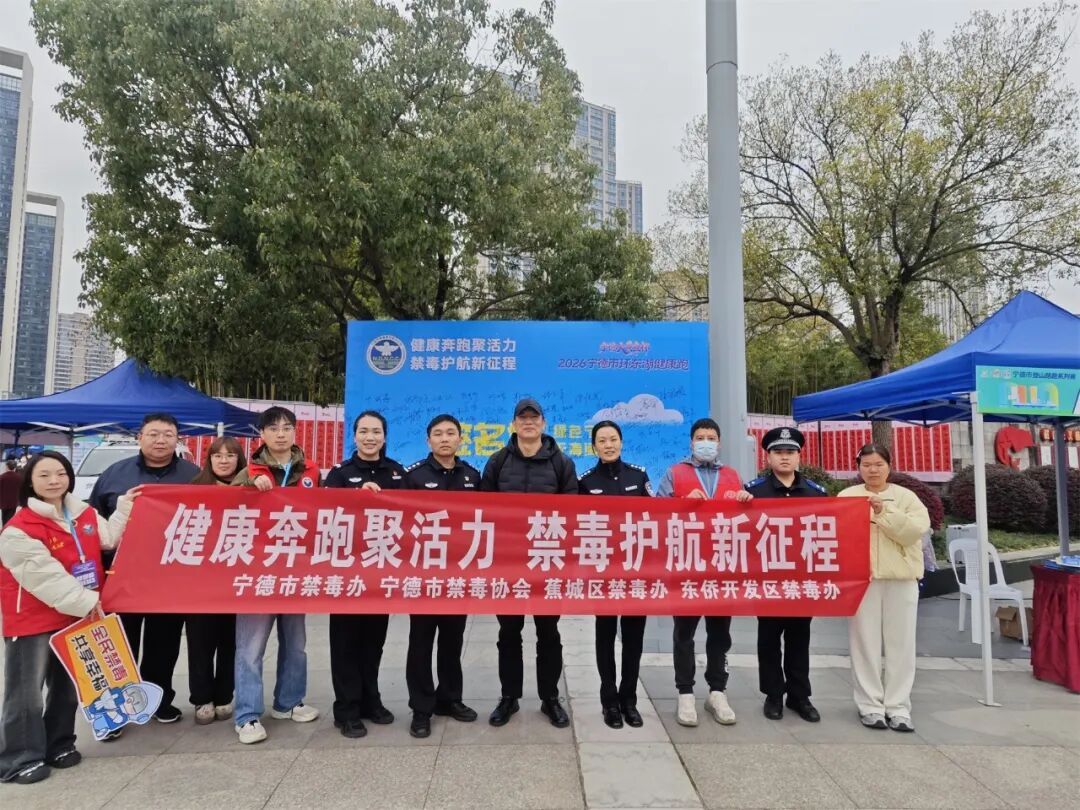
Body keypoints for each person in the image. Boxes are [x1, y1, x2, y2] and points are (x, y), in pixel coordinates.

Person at [0, 451, 138, 784]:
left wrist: (125, 507)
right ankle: (19, 758)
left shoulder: (83, 513)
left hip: (75, 616)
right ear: (29, 481)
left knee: (68, 686)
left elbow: (108, 539)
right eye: (44, 475)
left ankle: (59, 743)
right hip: (33, 620)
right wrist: (89, 602)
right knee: (26, 693)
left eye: (60, 474)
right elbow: (46, 579)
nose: (54, 481)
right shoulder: (18, 529)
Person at [88, 413, 199, 725]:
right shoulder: (114, 474)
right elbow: (95, 526)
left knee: (163, 644)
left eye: (168, 434)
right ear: (140, 437)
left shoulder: (194, 475)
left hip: (171, 578)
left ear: (177, 439)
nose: (160, 440)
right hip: (122, 578)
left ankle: (159, 702)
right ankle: (115, 712)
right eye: (153, 434)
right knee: (119, 646)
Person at [481, 397, 577, 729]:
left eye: (534, 418)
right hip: (508, 565)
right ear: (514, 425)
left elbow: (572, 513)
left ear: (543, 424)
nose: (528, 422)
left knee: (548, 632)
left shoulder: (562, 463)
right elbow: (481, 511)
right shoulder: (497, 462)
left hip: (547, 562)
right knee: (509, 632)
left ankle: (550, 698)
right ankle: (509, 697)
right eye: (522, 418)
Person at [230, 407, 321, 744]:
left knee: (296, 643)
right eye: (273, 428)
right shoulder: (249, 471)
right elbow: (222, 509)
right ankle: (247, 715)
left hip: (296, 569)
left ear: (295, 432)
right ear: (262, 434)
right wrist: (247, 485)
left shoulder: (311, 471)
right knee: (250, 647)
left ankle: (288, 702)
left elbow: (327, 512)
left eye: (287, 427)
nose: (281, 434)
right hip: (257, 571)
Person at [656, 417, 751, 728]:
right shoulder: (675, 473)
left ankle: (717, 691)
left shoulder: (732, 476)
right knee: (684, 633)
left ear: (719, 442)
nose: (706, 442)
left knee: (720, 633)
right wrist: (682, 504)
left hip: (722, 567)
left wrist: (746, 502)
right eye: (700, 437)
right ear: (691, 442)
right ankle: (685, 692)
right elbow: (657, 514)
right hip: (686, 565)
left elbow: (747, 523)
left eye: (711, 437)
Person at [324, 410, 406, 738]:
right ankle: (347, 709)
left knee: (374, 643)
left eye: (376, 432)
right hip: (346, 575)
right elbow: (325, 517)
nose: (370, 437)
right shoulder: (340, 474)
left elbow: (413, 516)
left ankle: (372, 701)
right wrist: (353, 500)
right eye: (364, 431)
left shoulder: (397, 473)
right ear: (354, 436)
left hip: (380, 574)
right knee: (345, 644)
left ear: (384, 437)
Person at [839, 444, 930, 733]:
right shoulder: (848, 496)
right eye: (866, 465)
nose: (873, 470)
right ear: (858, 467)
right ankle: (870, 705)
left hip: (901, 579)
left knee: (901, 644)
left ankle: (898, 707)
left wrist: (884, 511)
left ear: (889, 466)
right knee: (863, 643)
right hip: (862, 580)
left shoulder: (906, 497)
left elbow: (913, 532)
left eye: (878, 464)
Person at [403, 414, 481, 739]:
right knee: (420, 643)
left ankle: (449, 699)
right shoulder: (413, 476)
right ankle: (422, 708)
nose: (445, 439)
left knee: (452, 641)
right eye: (438, 434)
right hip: (423, 576)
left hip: (458, 576)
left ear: (460, 439)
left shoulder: (472, 476)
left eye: (451, 433)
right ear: (428, 440)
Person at [745, 427, 826, 723]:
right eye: (778, 452)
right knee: (768, 639)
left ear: (799, 456)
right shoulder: (753, 493)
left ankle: (799, 696)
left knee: (799, 639)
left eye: (790, 452)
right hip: (767, 580)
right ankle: (773, 695)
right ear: (767, 457)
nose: (784, 457)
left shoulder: (816, 494)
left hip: (802, 581)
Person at [578, 420, 650, 730]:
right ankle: (609, 701)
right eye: (602, 440)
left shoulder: (638, 476)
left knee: (634, 638)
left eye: (613, 439)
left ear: (621, 442)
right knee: (605, 636)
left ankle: (629, 700)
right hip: (603, 572)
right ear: (594, 447)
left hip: (635, 570)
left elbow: (655, 519)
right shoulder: (585, 482)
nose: (608, 445)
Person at [186, 437, 246, 725]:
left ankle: (224, 695)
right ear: (209, 459)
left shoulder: (250, 488)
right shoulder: (195, 488)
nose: (224, 461)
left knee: (231, 641)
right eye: (218, 455)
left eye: (230, 455)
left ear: (239, 459)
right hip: (201, 581)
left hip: (237, 579)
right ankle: (201, 698)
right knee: (200, 641)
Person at [0, 459, 22, 524]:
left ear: (7, 466)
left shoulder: (2, 477)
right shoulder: (19, 477)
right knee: (11, 517)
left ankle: (4, 528)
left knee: (4, 518)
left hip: (3, 502)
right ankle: (8, 527)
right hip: (14, 501)